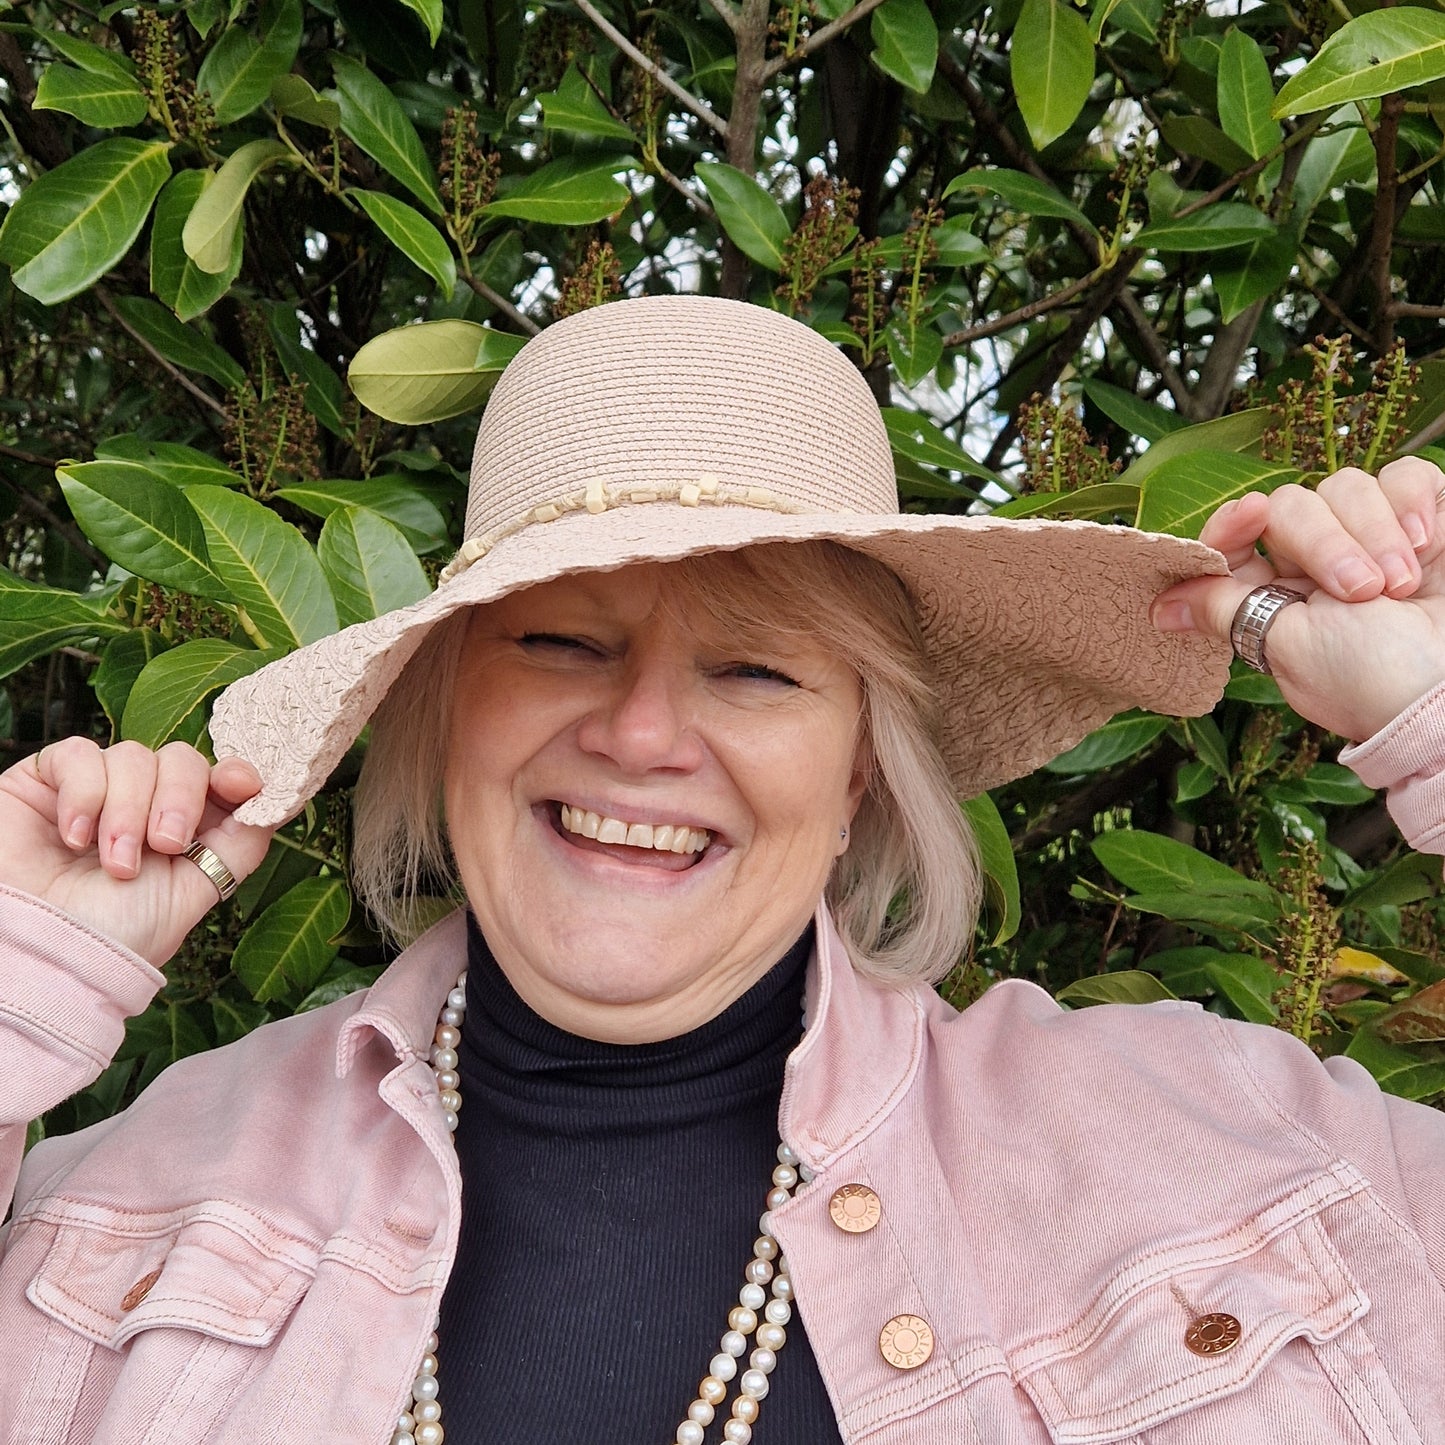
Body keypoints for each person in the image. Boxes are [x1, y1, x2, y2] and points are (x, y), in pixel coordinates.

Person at [0, 296, 1441, 1445]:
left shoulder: (1237, 1148)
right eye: (559, 640)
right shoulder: (120, 1204)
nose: (638, 733)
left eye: (753, 669)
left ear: (860, 762)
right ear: (441, 706)